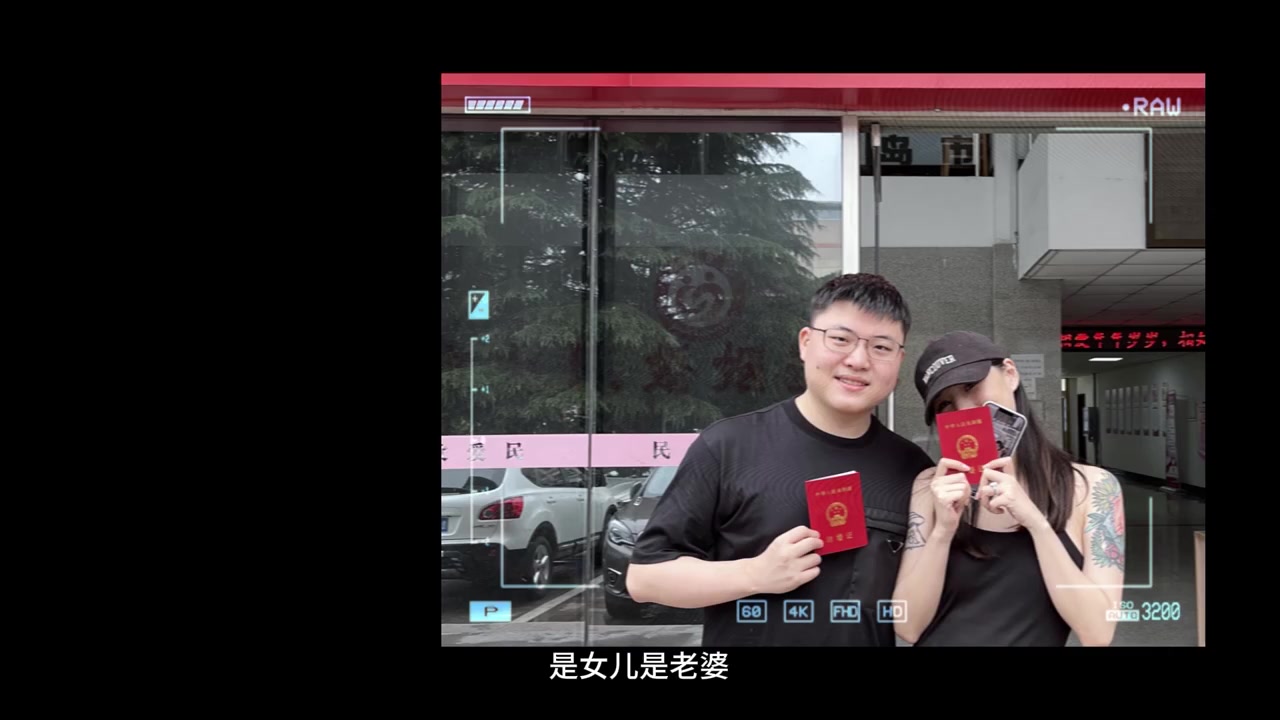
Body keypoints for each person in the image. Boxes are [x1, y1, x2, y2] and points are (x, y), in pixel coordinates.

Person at [626, 273, 936, 646]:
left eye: (881, 347)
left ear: (899, 360)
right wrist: (755, 574)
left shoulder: (913, 470)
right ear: (806, 342)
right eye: (840, 339)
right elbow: (645, 579)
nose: (858, 360)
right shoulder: (729, 446)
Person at [892, 331, 1127, 646]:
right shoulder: (930, 487)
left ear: (1010, 374)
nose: (965, 410)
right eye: (946, 403)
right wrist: (942, 532)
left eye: (971, 386)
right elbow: (907, 626)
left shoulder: (1092, 488)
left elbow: (1097, 633)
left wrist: (1036, 524)